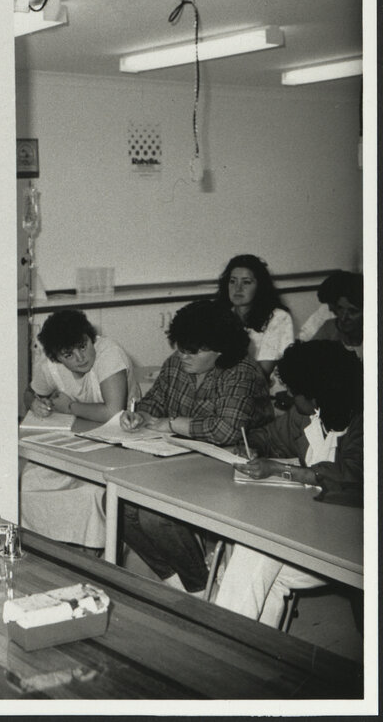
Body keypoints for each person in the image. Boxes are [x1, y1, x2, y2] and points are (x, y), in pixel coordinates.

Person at [119, 299, 274, 595]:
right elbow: (155, 402)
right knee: (123, 507)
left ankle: (200, 587)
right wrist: (140, 414)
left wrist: (170, 423)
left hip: (237, 466)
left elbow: (226, 429)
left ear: (220, 349)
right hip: (185, 461)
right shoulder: (176, 364)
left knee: (156, 516)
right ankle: (181, 584)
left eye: (193, 350)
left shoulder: (242, 372)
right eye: (180, 347)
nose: (183, 355)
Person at [214, 341, 363, 626]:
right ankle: (251, 657)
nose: (291, 397)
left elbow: (351, 475)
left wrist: (281, 470)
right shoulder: (306, 414)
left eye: (296, 392)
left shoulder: (365, 420)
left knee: (256, 557)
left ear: (318, 395)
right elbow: (268, 436)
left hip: (351, 540)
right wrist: (251, 447)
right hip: (309, 527)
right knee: (264, 569)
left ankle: (224, 644)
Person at [20, 310, 138, 549]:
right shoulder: (50, 366)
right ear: (56, 358)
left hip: (122, 440)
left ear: (90, 337)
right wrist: (34, 402)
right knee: (31, 482)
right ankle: (51, 548)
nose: (80, 357)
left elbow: (112, 411)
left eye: (83, 346)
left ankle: (94, 549)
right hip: (82, 438)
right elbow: (31, 393)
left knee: (90, 491)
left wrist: (70, 406)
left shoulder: (109, 353)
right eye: (69, 355)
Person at [214, 254, 293, 382]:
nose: (237, 288)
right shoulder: (221, 314)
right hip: (225, 384)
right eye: (232, 281)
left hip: (261, 390)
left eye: (246, 282)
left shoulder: (278, 317)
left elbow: (261, 373)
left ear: (260, 287)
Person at [309, 270, 363, 360]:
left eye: (353, 311)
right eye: (340, 308)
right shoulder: (330, 327)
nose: (343, 317)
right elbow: (307, 356)